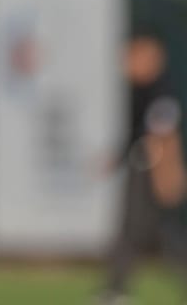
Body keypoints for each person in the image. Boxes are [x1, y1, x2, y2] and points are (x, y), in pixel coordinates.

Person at [100, 28, 187, 304]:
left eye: (135, 55)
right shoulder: (139, 90)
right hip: (140, 165)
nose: (128, 62)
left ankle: (117, 289)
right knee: (146, 230)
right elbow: (136, 133)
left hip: (151, 170)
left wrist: (167, 174)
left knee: (153, 231)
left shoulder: (161, 91)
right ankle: (117, 288)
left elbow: (163, 138)